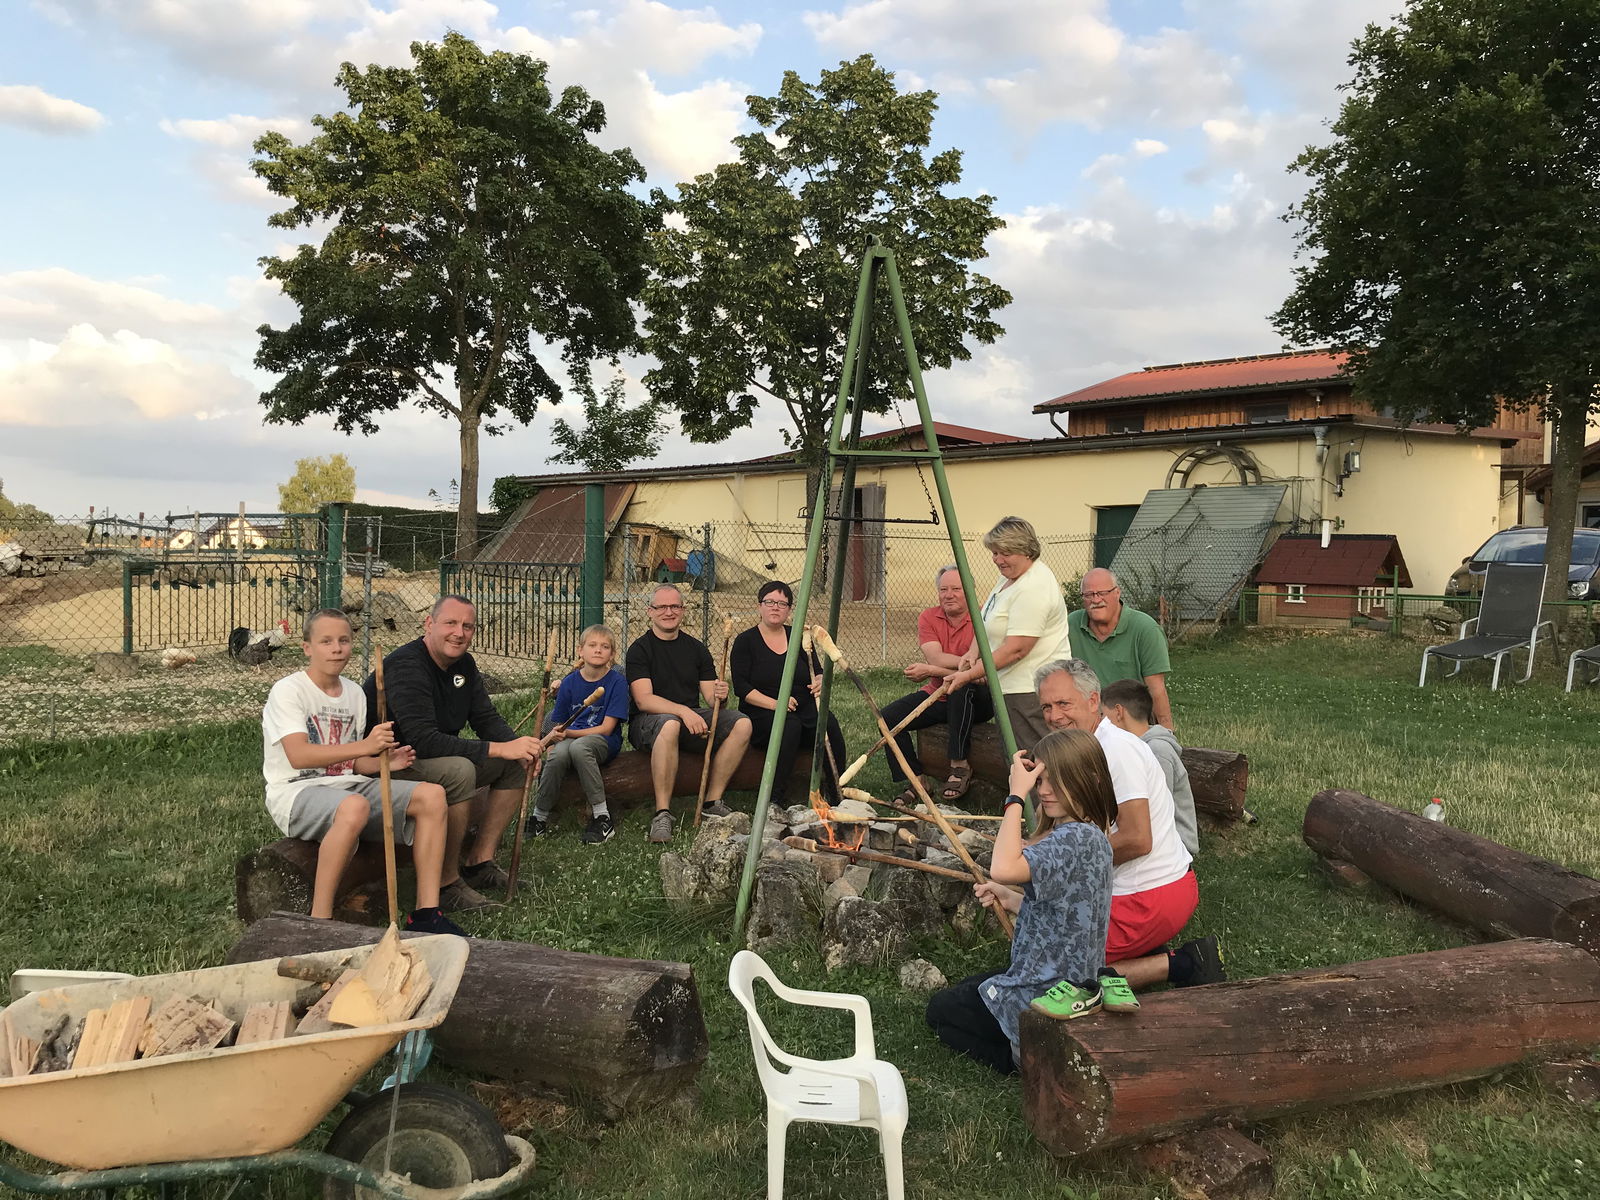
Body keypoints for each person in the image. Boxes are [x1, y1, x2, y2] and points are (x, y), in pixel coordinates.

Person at [924, 729, 1115, 1074]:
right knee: (974, 987)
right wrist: (1012, 899)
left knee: (940, 1011)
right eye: (1040, 780)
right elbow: (1067, 910)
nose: (1044, 791)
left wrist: (1014, 796)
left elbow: (1002, 867)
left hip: (1049, 992)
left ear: (1091, 779)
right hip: (1071, 978)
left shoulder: (1072, 839)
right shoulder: (1092, 836)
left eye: (1058, 781)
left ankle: (1023, 1057)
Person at [262, 608, 463, 935]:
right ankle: (320, 921)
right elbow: (299, 756)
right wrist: (366, 746)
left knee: (432, 795)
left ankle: (427, 914)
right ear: (307, 648)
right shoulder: (289, 690)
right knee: (355, 806)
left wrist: (384, 762)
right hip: (296, 792)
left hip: (347, 786)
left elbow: (348, 761)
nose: (336, 648)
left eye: (344, 640)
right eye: (325, 641)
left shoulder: (354, 693)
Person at [1035, 658, 1222, 989]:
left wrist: (1057, 861)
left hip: (1149, 896)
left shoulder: (1115, 751)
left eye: (1064, 703)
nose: (1054, 716)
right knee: (1038, 937)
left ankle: (1182, 963)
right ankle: (1139, 955)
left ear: (1094, 701)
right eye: (1046, 706)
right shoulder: (1087, 747)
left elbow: (1137, 840)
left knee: (1052, 968)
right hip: (1141, 891)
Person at [364, 595, 543, 912]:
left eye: (467, 626)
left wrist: (520, 747)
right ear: (429, 624)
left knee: (513, 764)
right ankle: (447, 884)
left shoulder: (464, 665)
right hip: (389, 763)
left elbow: (485, 718)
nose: (459, 633)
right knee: (460, 771)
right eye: (450, 623)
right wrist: (501, 747)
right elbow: (424, 740)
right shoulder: (407, 666)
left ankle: (478, 861)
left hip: (426, 758)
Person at [626, 583, 752, 843]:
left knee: (742, 724)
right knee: (670, 724)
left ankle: (712, 802)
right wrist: (684, 711)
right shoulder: (640, 649)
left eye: (675, 606)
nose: (669, 612)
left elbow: (712, 701)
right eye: (662, 607)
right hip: (648, 725)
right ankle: (662, 813)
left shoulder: (696, 649)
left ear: (683, 610)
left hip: (689, 720)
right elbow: (643, 700)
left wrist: (720, 695)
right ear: (650, 611)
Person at [944, 516, 1072, 746]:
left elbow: (1016, 649)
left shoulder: (1033, 587)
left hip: (1030, 691)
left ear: (1026, 551)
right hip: (1009, 688)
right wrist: (973, 653)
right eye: (994, 553)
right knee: (1016, 759)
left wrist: (968, 676)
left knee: (1035, 760)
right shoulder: (1008, 578)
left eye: (1005, 553)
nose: (997, 560)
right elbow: (987, 619)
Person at [877, 565, 995, 804]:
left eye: (956, 589)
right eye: (943, 589)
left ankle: (959, 765)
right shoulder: (928, 617)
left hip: (978, 699)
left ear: (970, 591)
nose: (948, 595)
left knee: (962, 687)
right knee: (887, 718)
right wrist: (962, 667)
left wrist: (933, 671)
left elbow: (982, 675)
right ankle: (917, 781)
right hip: (938, 693)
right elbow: (937, 657)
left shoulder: (985, 617)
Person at [730, 580, 847, 807]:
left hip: (803, 707)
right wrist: (777, 703)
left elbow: (819, 672)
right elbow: (742, 689)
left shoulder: (799, 639)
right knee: (789, 726)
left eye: (782, 604)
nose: (776, 607)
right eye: (770, 602)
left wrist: (820, 681)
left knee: (829, 724)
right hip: (762, 710)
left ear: (790, 610)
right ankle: (775, 796)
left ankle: (835, 789)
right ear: (759, 606)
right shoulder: (745, 642)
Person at [526, 624, 630, 845]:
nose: (598, 650)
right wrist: (554, 739)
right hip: (571, 739)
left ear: (612, 654)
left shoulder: (617, 682)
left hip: (603, 741)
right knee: (557, 756)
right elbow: (559, 719)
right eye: (592, 645)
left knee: (579, 747)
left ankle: (602, 817)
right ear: (580, 651)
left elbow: (607, 728)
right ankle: (539, 816)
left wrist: (569, 732)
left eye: (605, 646)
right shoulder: (570, 683)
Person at [1101, 678, 1198, 857]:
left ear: (1118, 711)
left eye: (1103, 715)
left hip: (1172, 846)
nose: (1102, 723)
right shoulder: (1137, 747)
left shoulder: (1156, 750)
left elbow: (1155, 811)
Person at [1068, 568, 1175, 730]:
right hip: (1086, 719)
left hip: (1131, 720)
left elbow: (1157, 689)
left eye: (1102, 593)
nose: (1096, 600)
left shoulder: (1146, 629)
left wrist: (1167, 735)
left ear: (1117, 593)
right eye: (1089, 595)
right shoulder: (1071, 625)